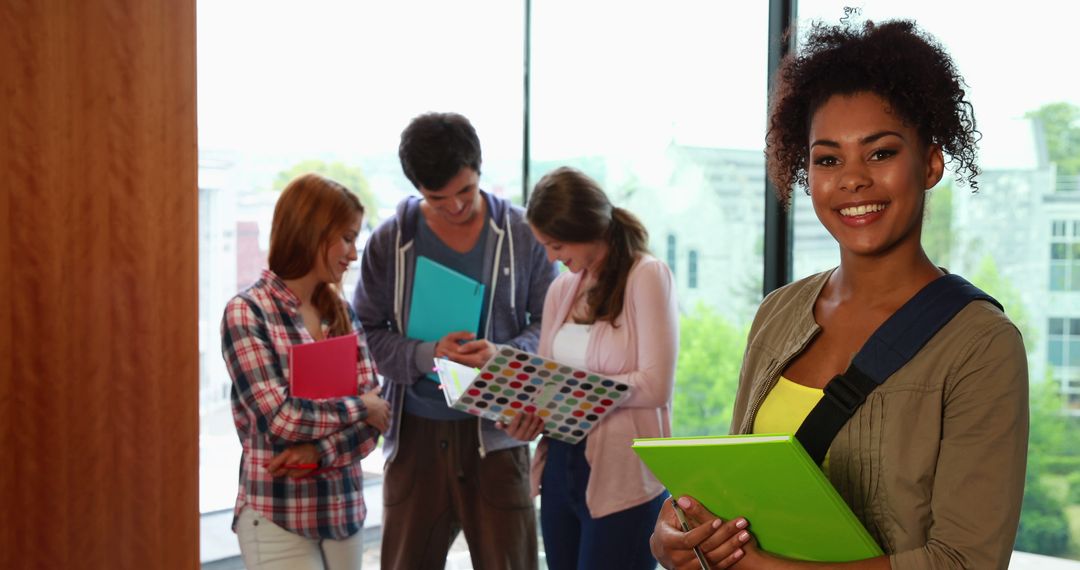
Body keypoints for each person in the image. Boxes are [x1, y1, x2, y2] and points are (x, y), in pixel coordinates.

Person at [649, 20, 1028, 570]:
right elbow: (738, 494)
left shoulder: (980, 345)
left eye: (880, 153)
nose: (852, 179)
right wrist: (683, 535)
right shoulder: (778, 314)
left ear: (930, 162)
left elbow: (966, 561)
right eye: (828, 159)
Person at [352, 112, 558, 568]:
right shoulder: (391, 241)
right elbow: (364, 334)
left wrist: (503, 355)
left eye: (465, 191)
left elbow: (554, 323)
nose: (456, 207)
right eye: (437, 198)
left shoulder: (524, 235)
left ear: (480, 171)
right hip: (416, 435)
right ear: (417, 189)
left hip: (500, 433)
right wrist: (428, 354)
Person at [499, 166, 679, 569]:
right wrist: (524, 412)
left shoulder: (646, 275)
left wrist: (569, 393)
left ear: (588, 228)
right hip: (561, 463)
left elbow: (656, 386)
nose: (551, 257)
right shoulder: (562, 288)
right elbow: (544, 380)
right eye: (545, 246)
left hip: (625, 474)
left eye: (557, 245)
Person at [220, 173, 391, 570]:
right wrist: (358, 407)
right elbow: (282, 420)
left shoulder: (342, 312)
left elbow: (378, 419)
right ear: (312, 232)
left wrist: (318, 452)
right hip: (278, 515)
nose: (353, 252)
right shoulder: (247, 312)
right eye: (346, 238)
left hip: (343, 512)